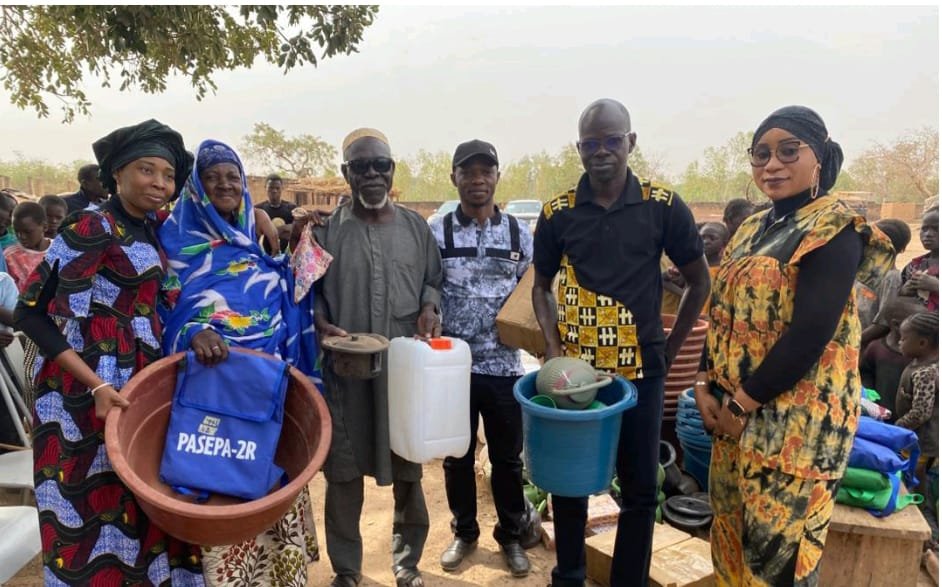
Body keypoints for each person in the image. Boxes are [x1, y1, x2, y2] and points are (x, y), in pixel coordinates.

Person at [695, 105, 894, 586]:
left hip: (795, 429)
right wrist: (703, 384)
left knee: (779, 561)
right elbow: (720, 312)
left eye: (788, 151)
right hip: (732, 419)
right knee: (730, 537)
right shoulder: (749, 228)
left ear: (819, 157)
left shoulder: (835, 228)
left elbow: (810, 332)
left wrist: (742, 404)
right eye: (761, 154)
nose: (772, 164)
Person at [13, 119, 204, 585]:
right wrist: (95, 383)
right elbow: (30, 314)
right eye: (146, 170)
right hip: (82, 395)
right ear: (117, 172)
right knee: (92, 506)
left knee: (144, 497)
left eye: (167, 175)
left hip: (140, 382)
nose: (159, 183)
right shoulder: (92, 225)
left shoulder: (151, 231)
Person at [532, 98, 710, 587]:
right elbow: (540, 286)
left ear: (631, 142)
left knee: (638, 489)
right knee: (571, 484)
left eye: (613, 141)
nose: (602, 152)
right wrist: (552, 349)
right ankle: (568, 574)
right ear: (579, 149)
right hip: (576, 379)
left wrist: (670, 352)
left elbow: (700, 280)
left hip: (641, 373)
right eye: (591, 144)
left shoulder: (663, 206)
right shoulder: (558, 212)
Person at [158, 139, 320, 586]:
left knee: (268, 478)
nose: (224, 185)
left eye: (233, 176)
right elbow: (161, 310)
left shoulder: (253, 234)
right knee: (214, 481)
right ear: (196, 188)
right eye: (213, 178)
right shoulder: (174, 241)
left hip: (267, 386)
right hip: (208, 391)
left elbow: (283, 283)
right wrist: (192, 332)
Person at [299, 128, 442, 587]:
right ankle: (347, 569)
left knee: (407, 467)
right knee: (342, 472)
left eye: (381, 164)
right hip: (345, 373)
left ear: (392, 170)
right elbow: (309, 294)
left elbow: (433, 282)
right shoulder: (323, 232)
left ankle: (407, 562)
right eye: (361, 166)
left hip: (402, 372)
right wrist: (321, 322)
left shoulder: (417, 229)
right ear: (347, 173)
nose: (372, 174)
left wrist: (428, 306)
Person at [428, 140, 534, 577]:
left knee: (507, 460)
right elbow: (426, 285)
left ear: (496, 176)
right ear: (454, 177)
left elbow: (534, 290)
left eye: (485, 171)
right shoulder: (437, 232)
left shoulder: (517, 233)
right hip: (453, 365)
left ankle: (510, 536)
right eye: (467, 172)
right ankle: (464, 533)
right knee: (457, 456)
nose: (477, 180)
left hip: (505, 366)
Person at [859, 296, 924, 420]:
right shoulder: (876, 348)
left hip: (910, 420)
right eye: (918, 325)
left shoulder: (923, 354)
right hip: (880, 414)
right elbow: (865, 373)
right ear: (896, 325)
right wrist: (870, 398)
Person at [895, 311, 939, 491]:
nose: (899, 342)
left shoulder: (926, 373)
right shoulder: (919, 362)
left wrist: (897, 427)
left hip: (921, 442)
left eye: (904, 339)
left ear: (922, 343)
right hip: (914, 438)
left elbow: (921, 412)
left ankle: (921, 510)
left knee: (914, 478)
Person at [859, 218, 913, 349]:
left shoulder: (891, 278)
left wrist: (855, 341)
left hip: (864, 345)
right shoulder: (860, 272)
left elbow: (883, 323)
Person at [4, 201, 51, 292]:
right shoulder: (10, 256)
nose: (22, 237)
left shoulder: (61, 249)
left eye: (28, 232)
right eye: (16, 231)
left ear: (44, 227)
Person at [900, 207, 938, 311]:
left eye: (936, 229)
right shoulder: (915, 266)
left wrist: (937, 286)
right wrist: (905, 290)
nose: (928, 234)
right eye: (924, 229)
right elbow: (900, 296)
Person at [256, 173, 297, 254]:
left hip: (288, 254)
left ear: (282, 188)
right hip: (266, 254)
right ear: (265, 188)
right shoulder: (259, 210)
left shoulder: (291, 208)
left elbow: (298, 228)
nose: (274, 191)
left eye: (277, 188)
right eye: (271, 188)